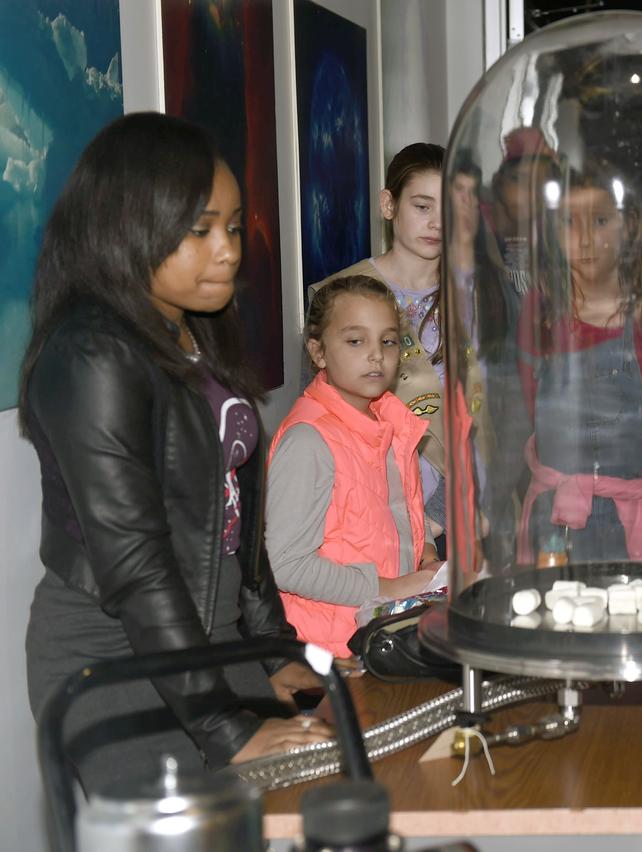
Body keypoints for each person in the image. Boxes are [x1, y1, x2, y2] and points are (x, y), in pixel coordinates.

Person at [21, 112, 332, 792]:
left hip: (204, 640)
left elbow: (232, 525)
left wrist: (273, 649)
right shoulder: (91, 355)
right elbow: (136, 566)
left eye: (231, 225)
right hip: (117, 655)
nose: (228, 249)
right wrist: (228, 727)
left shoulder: (191, 332)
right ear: (131, 225)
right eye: (199, 231)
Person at [516, 159, 642, 563]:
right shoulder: (538, 315)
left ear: (628, 225)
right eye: (569, 224)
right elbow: (526, 416)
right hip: (556, 519)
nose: (585, 241)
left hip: (641, 521)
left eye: (599, 221)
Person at [268, 275, 443, 657]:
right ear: (318, 352)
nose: (376, 355)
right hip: (331, 651)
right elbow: (287, 566)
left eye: (388, 340)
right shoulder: (308, 441)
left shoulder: (393, 422)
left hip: (382, 632)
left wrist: (426, 555)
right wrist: (394, 587)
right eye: (355, 341)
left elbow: (401, 508)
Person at [309, 143, 450, 550]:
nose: (437, 223)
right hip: (368, 519)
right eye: (422, 206)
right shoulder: (340, 294)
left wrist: (433, 522)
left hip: (461, 512)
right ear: (388, 204)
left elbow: (495, 423)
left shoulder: (476, 300)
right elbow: (321, 417)